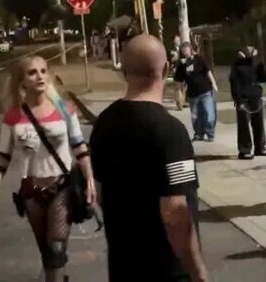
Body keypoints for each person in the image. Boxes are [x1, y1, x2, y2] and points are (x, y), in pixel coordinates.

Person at [89, 35, 208, 282]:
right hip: (167, 270)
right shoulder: (171, 131)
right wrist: (198, 272)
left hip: (124, 265)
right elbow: (175, 210)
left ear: (124, 72)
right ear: (166, 69)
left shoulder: (104, 122)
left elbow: (100, 191)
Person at [0, 55, 97, 282]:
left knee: (56, 248)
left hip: (61, 189)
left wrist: (90, 180)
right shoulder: (14, 116)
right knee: (47, 253)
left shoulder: (65, 110)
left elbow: (79, 147)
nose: (40, 76)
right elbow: (2, 157)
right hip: (31, 193)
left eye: (43, 71)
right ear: (22, 82)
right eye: (32, 73)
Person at [229, 46, 266, 159]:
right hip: (243, 99)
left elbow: (263, 79)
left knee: (259, 124)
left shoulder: (256, 63)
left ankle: (260, 147)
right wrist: (238, 101)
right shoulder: (237, 66)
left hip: (256, 96)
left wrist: (264, 69)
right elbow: (235, 84)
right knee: (244, 126)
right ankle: (245, 150)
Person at [174, 42, 219, 142]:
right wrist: (180, 94)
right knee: (195, 117)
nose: (185, 52)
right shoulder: (181, 65)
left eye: (186, 50)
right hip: (193, 95)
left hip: (205, 91)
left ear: (191, 50)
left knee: (209, 115)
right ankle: (199, 134)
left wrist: (214, 84)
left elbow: (208, 71)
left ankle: (210, 133)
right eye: (183, 51)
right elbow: (179, 81)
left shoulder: (199, 59)